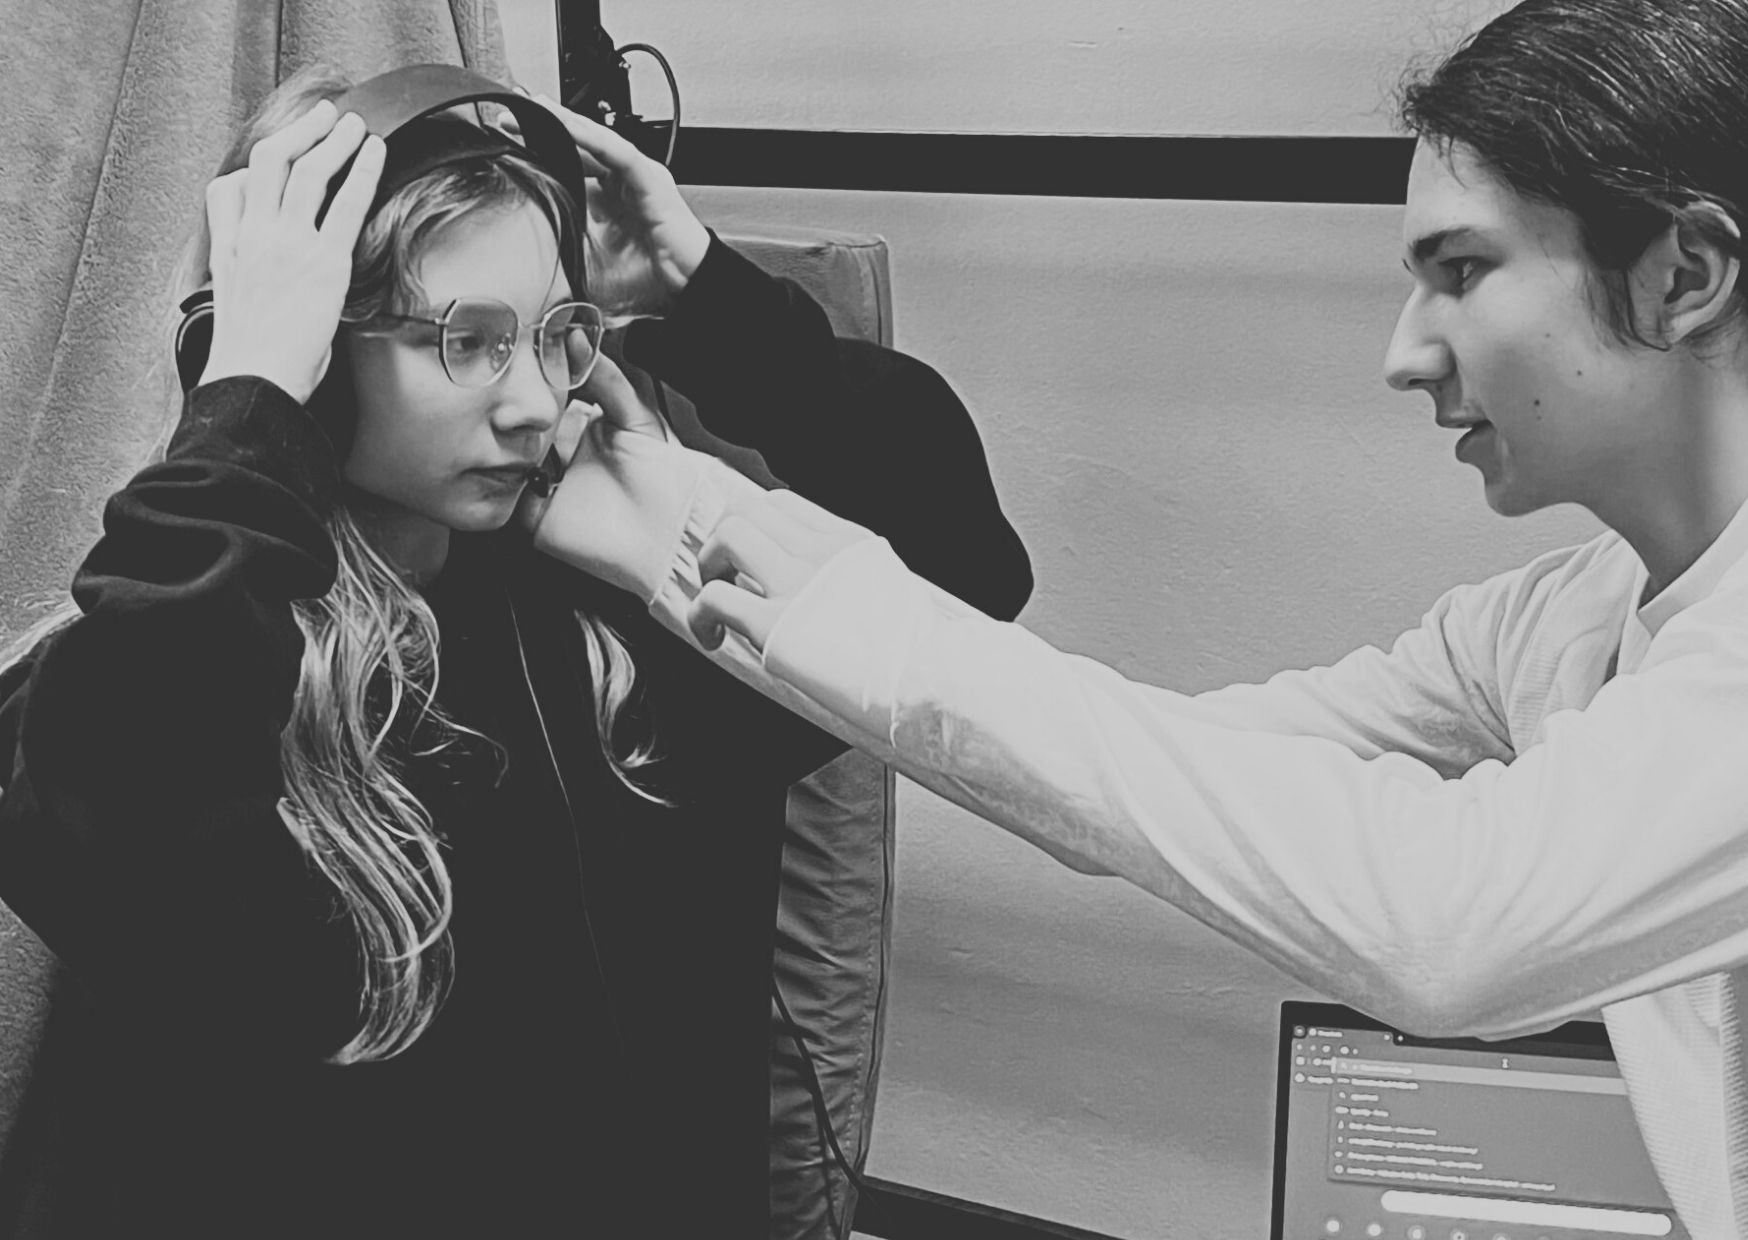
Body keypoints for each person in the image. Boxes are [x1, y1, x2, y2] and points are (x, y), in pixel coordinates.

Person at [591, 0, 1748, 1232]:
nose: (1404, 354)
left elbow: (1444, 927)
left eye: (1459, 272)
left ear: (1681, 275)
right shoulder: (1558, 618)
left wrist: (853, 615)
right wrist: (685, 520)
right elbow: (1156, 775)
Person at [0, 66, 1031, 1237]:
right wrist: (248, 401)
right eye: (469, 340)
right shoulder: (158, 676)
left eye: (555, 335)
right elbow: (117, 805)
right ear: (312, 359)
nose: (536, 402)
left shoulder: (607, 648)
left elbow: (959, 561)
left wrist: (707, 300)